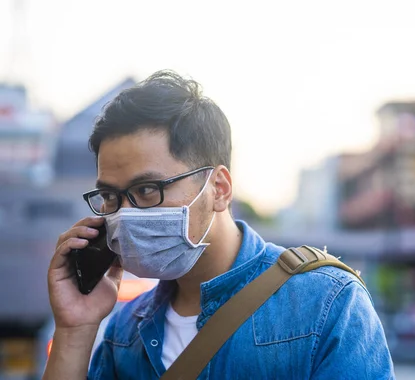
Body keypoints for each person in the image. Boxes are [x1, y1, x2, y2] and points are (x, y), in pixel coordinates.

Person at [43, 70, 395, 379]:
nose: (123, 214)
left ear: (219, 189)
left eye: (147, 190)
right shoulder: (125, 329)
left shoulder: (326, 303)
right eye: (110, 197)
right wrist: (76, 328)